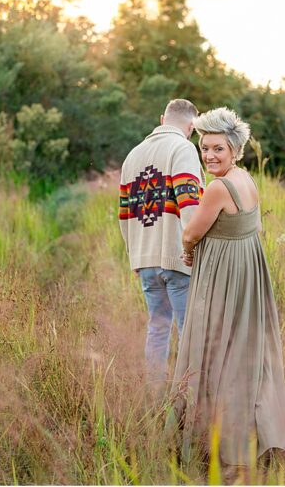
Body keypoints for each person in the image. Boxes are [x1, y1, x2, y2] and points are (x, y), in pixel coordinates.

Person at [169, 107, 285, 467]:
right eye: (204, 148)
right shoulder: (246, 180)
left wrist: (188, 253)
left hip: (223, 277)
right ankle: (251, 436)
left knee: (213, 351)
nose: (209, 156)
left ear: (234, 149)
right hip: (247, 272)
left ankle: (214, 444)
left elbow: (191, 232)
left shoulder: (219, 187)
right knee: (244, 353)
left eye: (218, 149)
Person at [118, 98, 203, 384]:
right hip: (176, 257)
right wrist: (193, 252)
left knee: (157, 329)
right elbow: (190, 205)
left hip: (144, 259)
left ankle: (154, 403)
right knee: (189, 333)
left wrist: (134, 257)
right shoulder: (183, 148)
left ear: (162, 118)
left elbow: (124, 215)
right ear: (192, 126)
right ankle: (191, 406)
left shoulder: (132, 155)